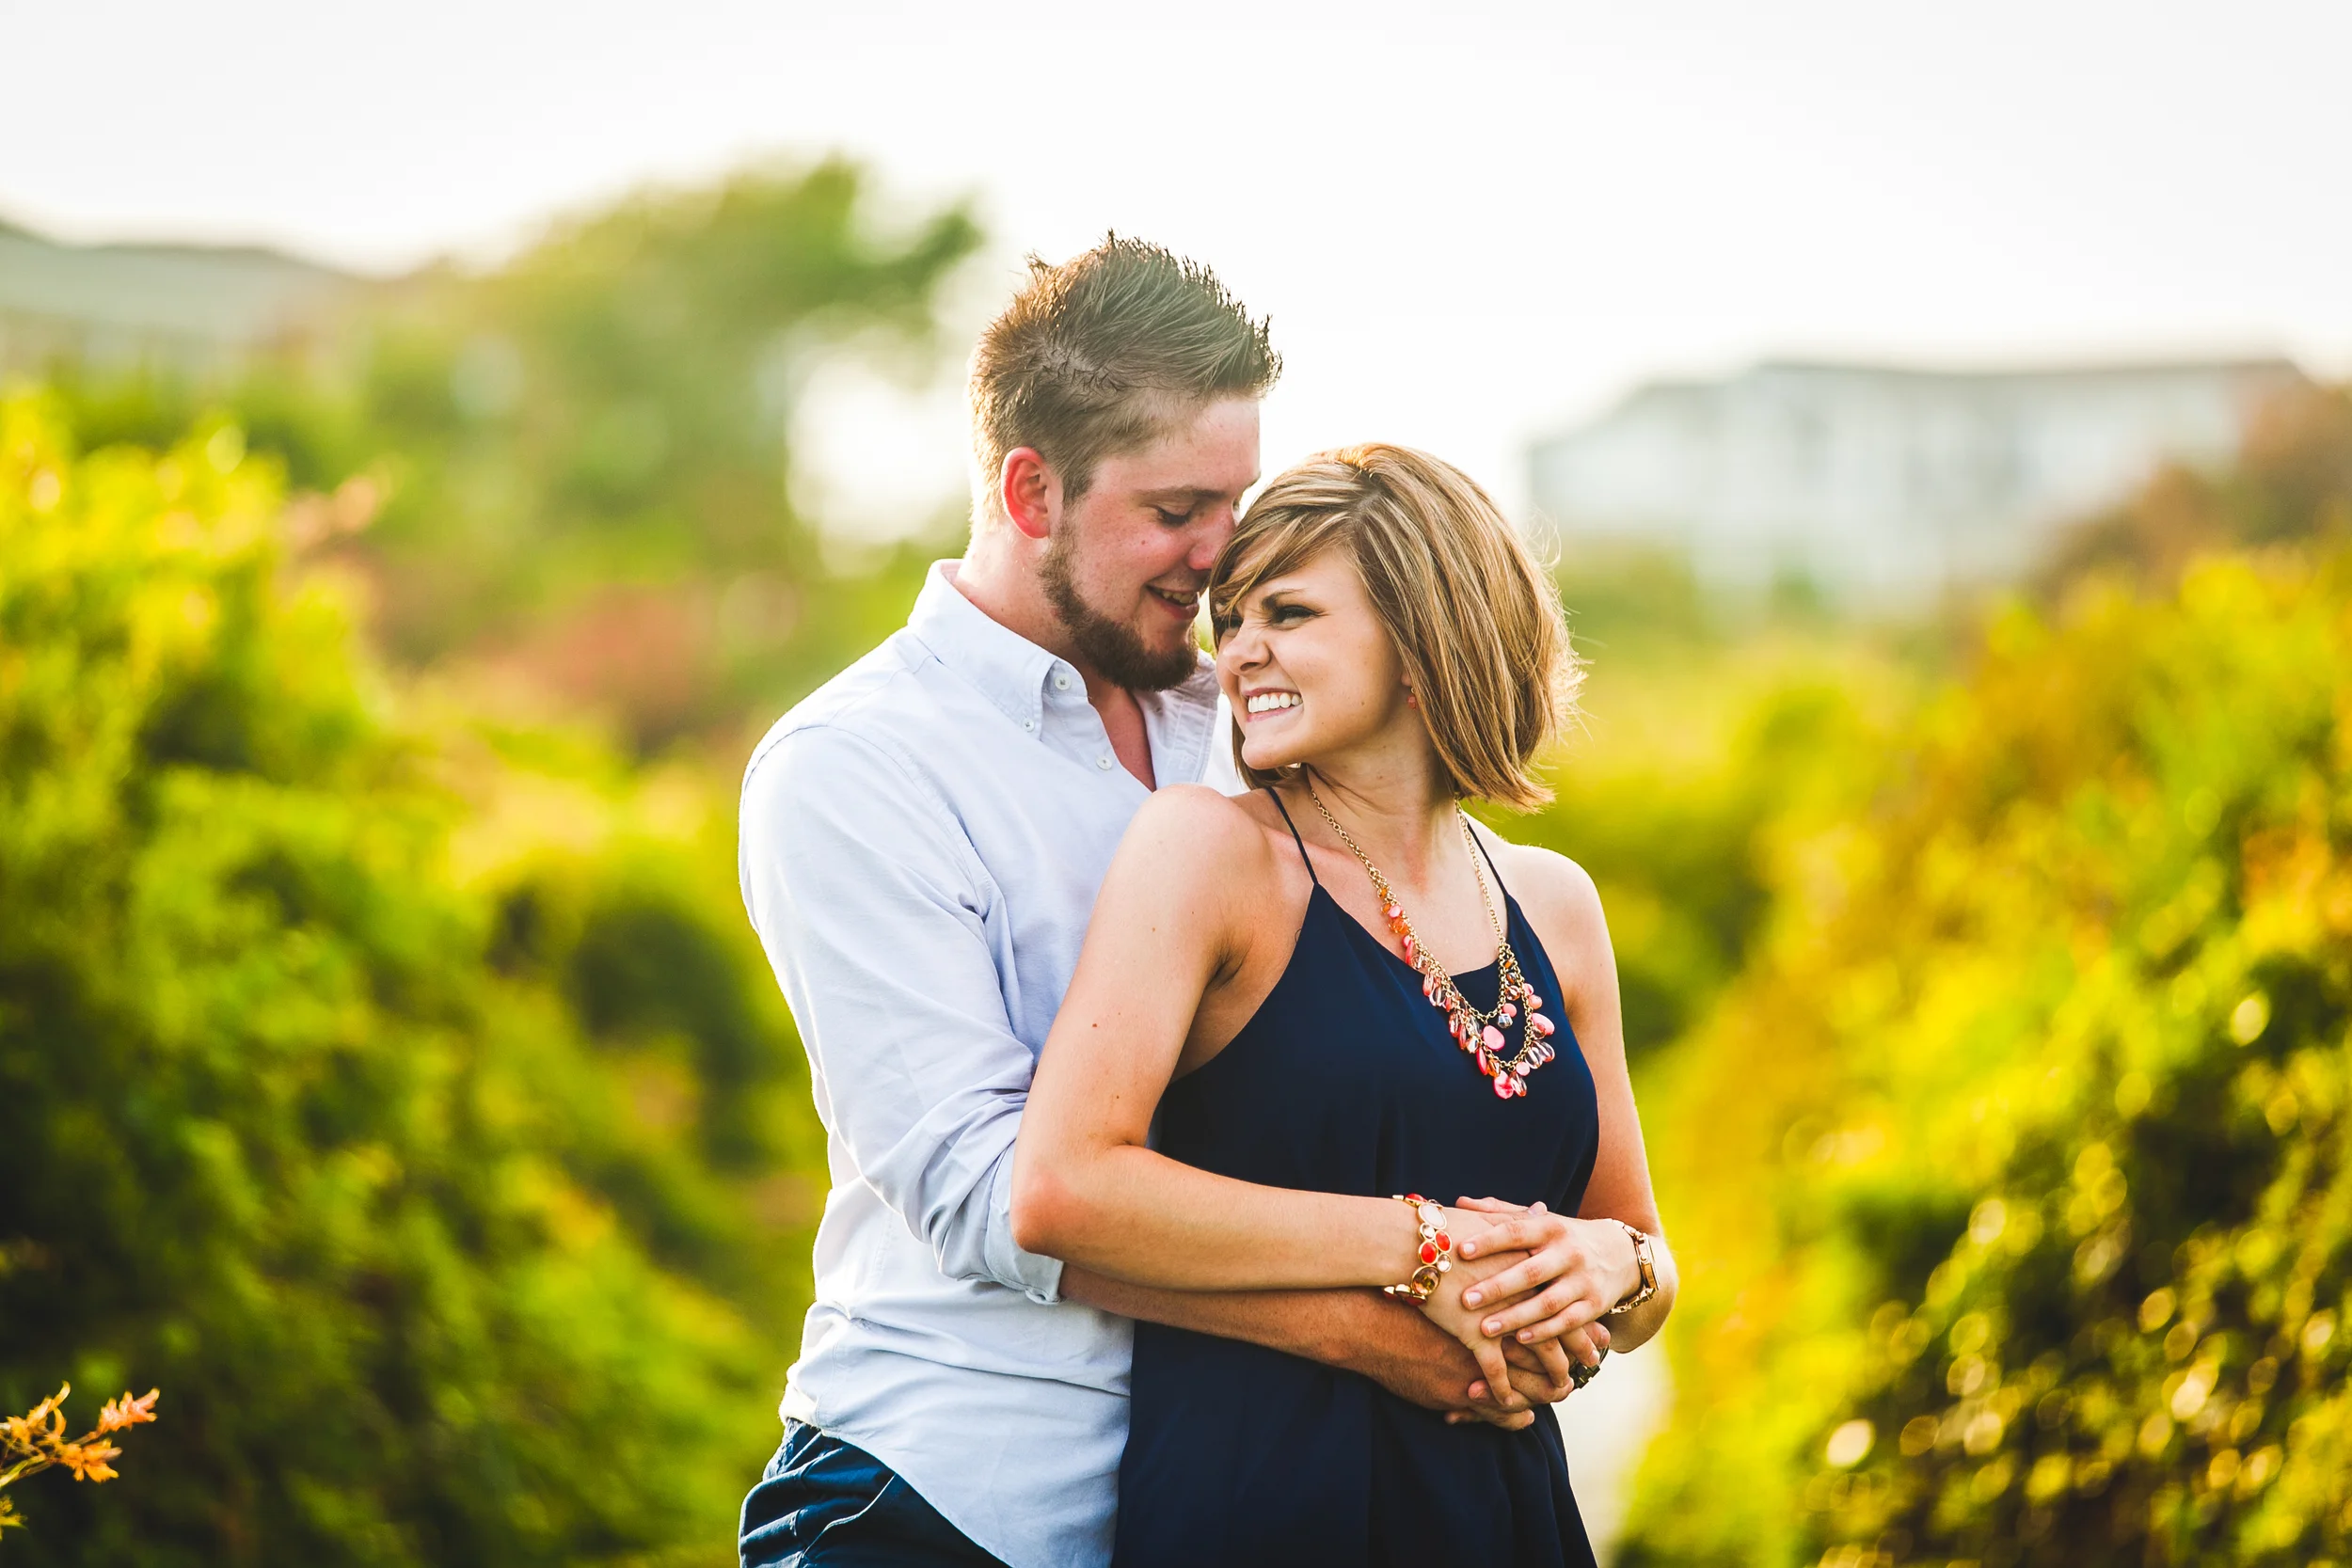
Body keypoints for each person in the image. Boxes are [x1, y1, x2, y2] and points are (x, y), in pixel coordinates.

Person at [734, 241, 1582, 1568]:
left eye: (1234, 499)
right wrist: (1380, 1313)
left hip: (1242, 1481)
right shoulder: (856, 765)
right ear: (1032, 489)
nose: (1220, 553)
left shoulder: (1245, 716)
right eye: (1180, 506)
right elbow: (990, 1190)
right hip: (952, 1490)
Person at [1009, 444, 1679, 1566]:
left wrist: (1613, 1267)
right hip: (1260, 1496)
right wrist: (1430, 1243)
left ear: (1422, 642)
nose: (1238, 653)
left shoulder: (1554, 905)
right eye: (1235, 615)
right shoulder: (1206, 853)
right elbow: (1063, 1185)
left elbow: (1644, 1254)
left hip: (1502, 1507)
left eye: (1291, 612)